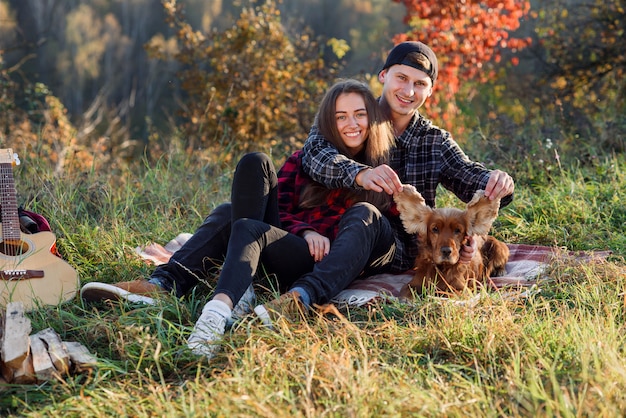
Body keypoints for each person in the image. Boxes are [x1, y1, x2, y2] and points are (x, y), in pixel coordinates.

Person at [81, 79, 397, 359]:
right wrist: (304, 231)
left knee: (229, 217)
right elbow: (281, 213)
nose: (350, 124)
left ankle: (215, 299)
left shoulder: (383, 170)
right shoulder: (308, 159)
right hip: (289, 247)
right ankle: (166, 285)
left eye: (359, 114)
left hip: (321, 264)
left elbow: (385, 233)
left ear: (373, 118)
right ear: (329, 122)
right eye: (340, 116)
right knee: (252, 169)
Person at [301, 41, 515, 275]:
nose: (408, 91)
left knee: (368, 217)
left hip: (395, 252)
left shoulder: (434, 140)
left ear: (431, 90)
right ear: (383, 75)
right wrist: (361, 174)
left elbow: (468, 175)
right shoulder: (355, 117)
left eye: (420, 84)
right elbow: (314, 153)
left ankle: (305, 293)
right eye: (401, 78)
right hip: (331, 236)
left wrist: (498, 183)